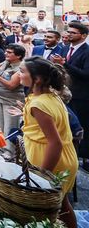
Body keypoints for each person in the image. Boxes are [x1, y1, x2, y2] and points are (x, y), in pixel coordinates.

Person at [14, 57, 78, 228]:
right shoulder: (50, 96)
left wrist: (42, 174)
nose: (17, 74)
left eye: (22, 71)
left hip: (51, 160)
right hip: (65, 157)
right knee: (62, 205)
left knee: (48, 209)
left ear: (38, 79)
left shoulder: (38, 104)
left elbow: (55, 143)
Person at [52, 21, 89, 169]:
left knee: (82, 125)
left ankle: (85, 156)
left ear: (84, 35)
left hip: (81, 95)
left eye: (73, 32)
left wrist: (65, 64)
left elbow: (86, 74)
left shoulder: (87, 51)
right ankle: (69, 153)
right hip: (64, 93)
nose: (69, 34)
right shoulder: (65, 48)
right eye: (69, 32)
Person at [0, 44, 25, 143]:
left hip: (11, 100)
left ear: (18, 56)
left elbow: (11, 85)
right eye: (6, 51)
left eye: (9, 52)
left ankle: (9, 152)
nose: (5, 53)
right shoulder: (6, 62)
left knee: (10, 126)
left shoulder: (20, 68)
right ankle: (0, 146)